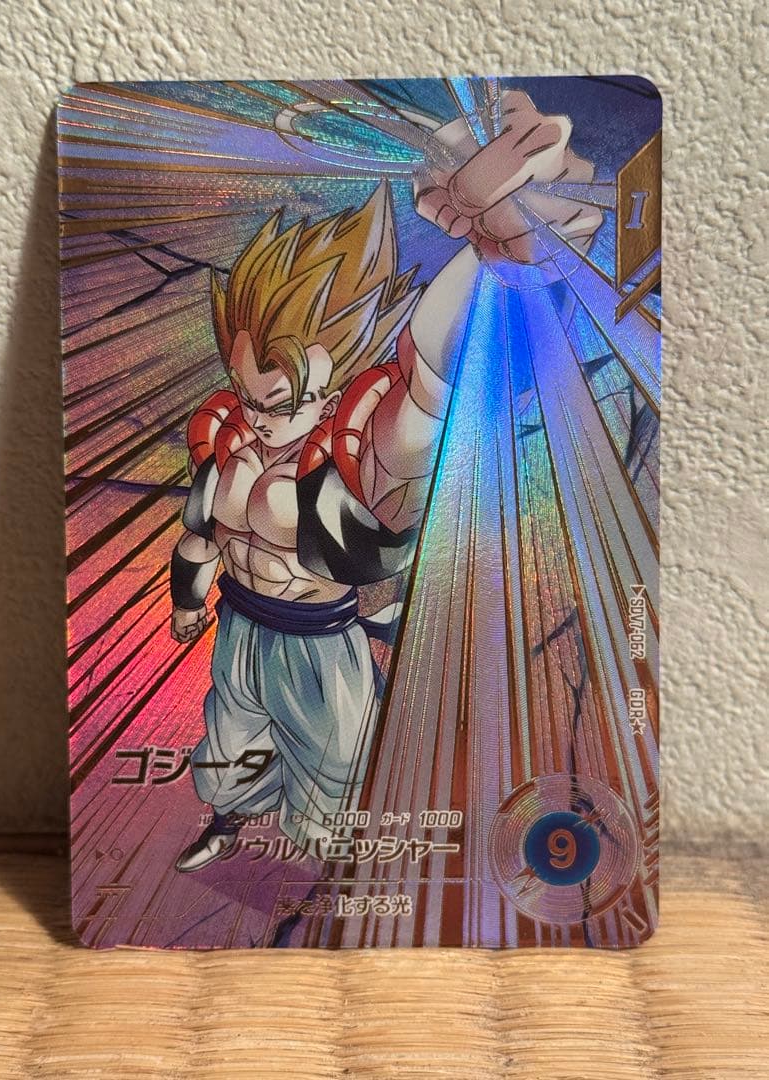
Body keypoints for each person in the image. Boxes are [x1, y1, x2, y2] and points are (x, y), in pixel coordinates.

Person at [169, 90, 601, 872]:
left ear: (330, 383)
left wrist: (506, 256)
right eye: (248, 393)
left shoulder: (354, 446)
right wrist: (188, 600)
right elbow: (201, 534)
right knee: (228, 750)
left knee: (331, 783)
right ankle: (228, 822)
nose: (260, 418)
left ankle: (325, 887)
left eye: (280, 402)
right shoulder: (224, 434)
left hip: (319, 642)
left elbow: (432, 381)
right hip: (238, 627)